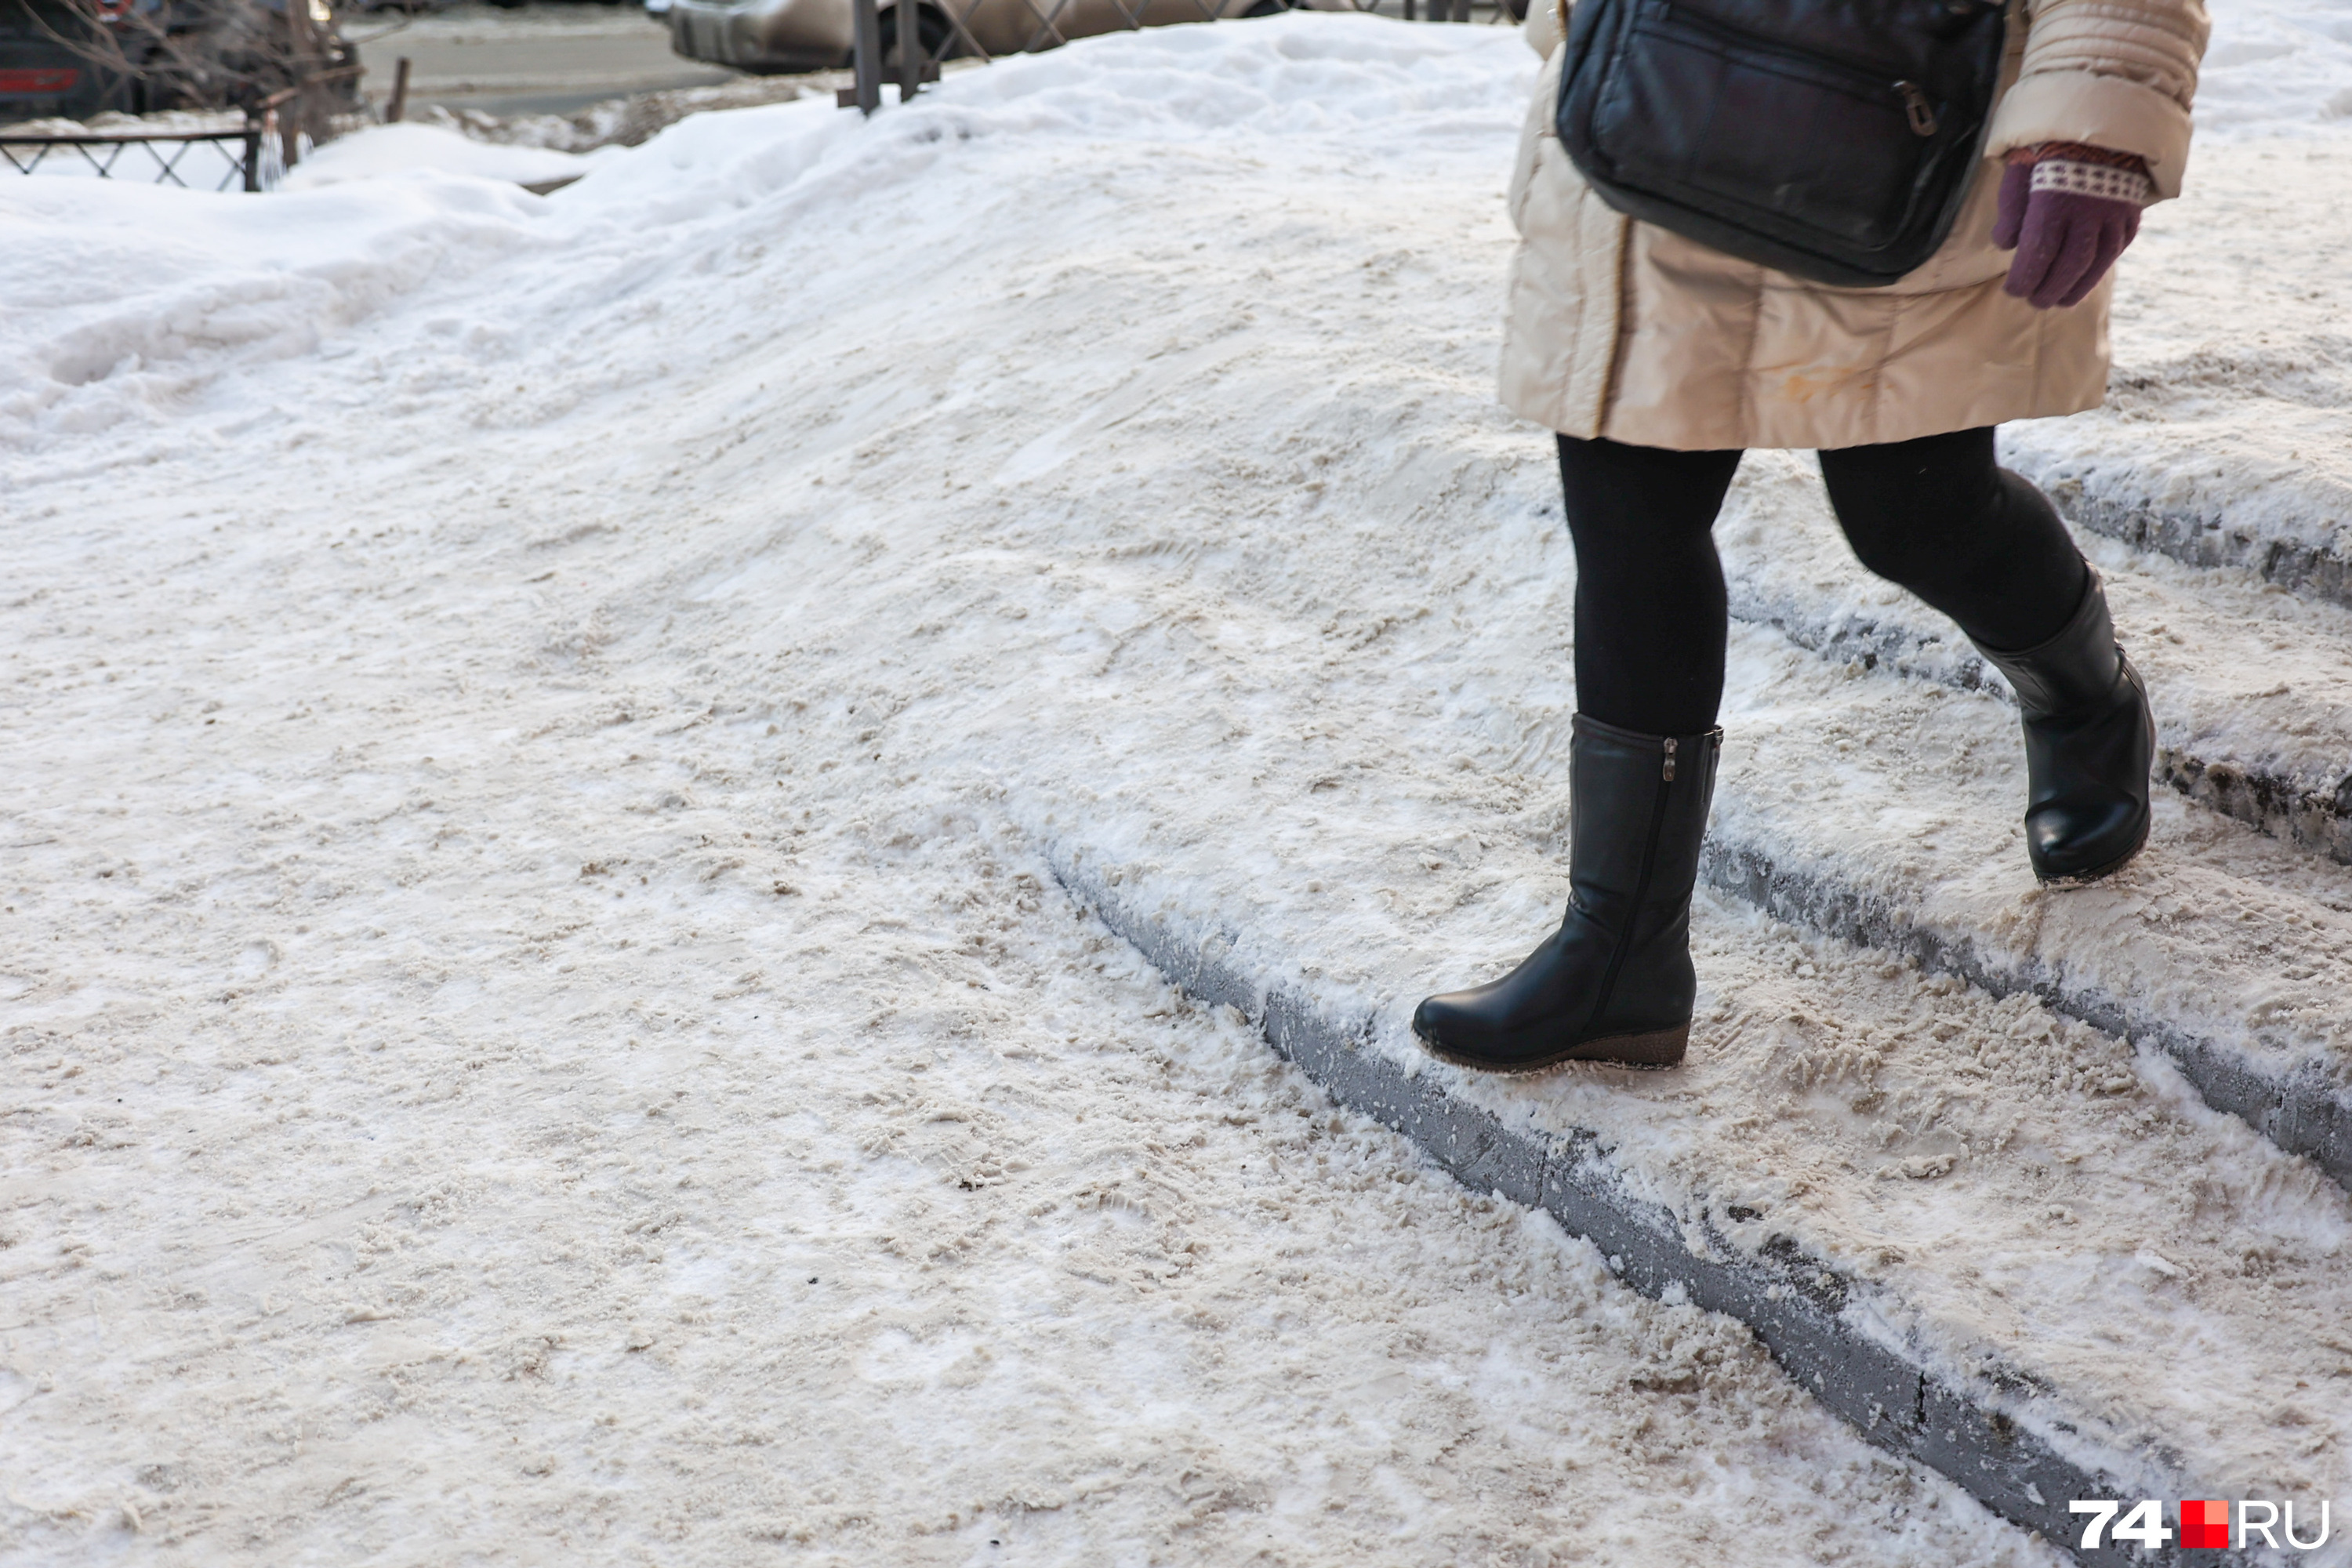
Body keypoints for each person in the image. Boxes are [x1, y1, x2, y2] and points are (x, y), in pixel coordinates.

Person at [1411, 0, 2212, 1075]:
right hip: (1656, 94)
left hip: (1904, 128)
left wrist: (2097, 113)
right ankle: (1621, 961)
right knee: (1627, 517)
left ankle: (2085, 698)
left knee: (1914, 518)